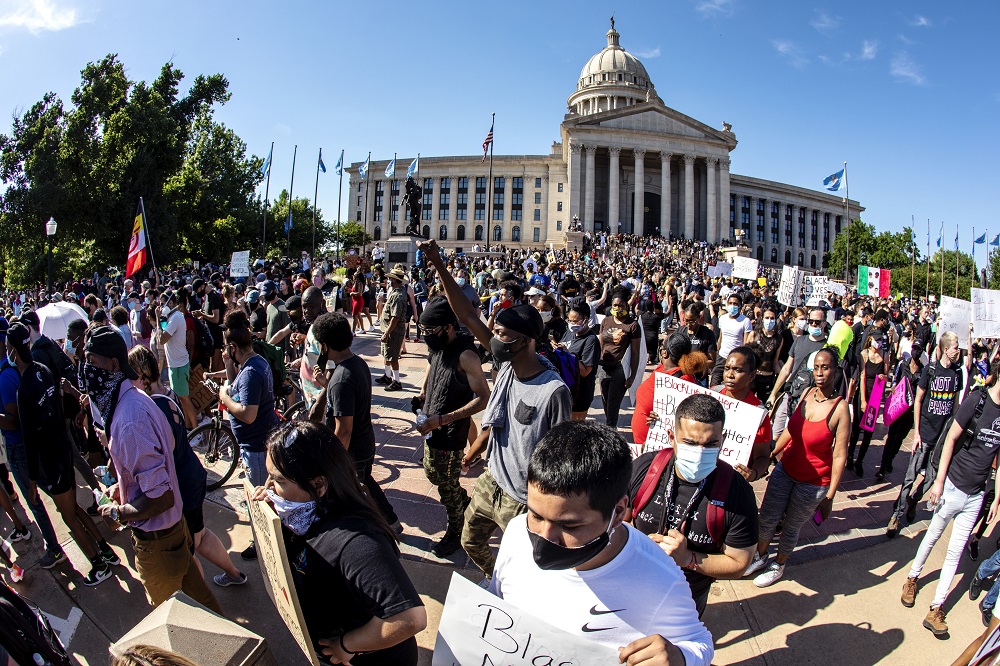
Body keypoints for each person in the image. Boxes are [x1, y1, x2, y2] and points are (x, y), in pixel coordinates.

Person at [489, 420, 714, 665]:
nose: (545, 536)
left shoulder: (661, 578)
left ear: (618, 513)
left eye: (569, 526)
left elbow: (698, 641)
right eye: (535, 515)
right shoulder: (514, 533)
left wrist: (680, 657)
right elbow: (497, 600)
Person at [419, 238, 571, 581]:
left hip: (522, 500)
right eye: (496, 333)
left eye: (502, 334)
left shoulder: (552, 392)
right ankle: (500, 581)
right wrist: (438, 263)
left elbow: (558, 457)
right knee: (470, 541)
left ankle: (519, 593)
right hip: (492, 481)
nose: (494, 339)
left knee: (531, 565)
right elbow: (467, 315)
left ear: (527, 340)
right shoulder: (505, 364)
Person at [250, 421, 426, 664]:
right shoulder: (306, 515)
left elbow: (410, 618)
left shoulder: (356, 541)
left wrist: (347, 644)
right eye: (270, 477)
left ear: (318, 485)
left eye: (279, 481)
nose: (269, 487)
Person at [87, 325, 222, 613]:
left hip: (159, 543)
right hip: (172, 534)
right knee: (204, 608)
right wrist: (122, 488)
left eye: (91, 362)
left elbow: (160, 497)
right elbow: (151, 472)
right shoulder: (134, 401)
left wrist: (118, 513)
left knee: (172, 620)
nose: (86, 371)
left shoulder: (130, 419)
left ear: (113, 364)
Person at [627, 394, 758, 617]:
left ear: (722, 440)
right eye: (689, 442)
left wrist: (687, 559)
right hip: (634, 585)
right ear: (672, 437)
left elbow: (740, 561)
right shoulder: (645, 468)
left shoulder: (738, 493)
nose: (699, 453)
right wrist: (636, 544)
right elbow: (615, 521)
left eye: (710, 444)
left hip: (687, 597)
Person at [128, 345, 247, 587]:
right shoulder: (166, 393)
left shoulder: (153, 406)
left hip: (182, 482)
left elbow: (165, 452)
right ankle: (235, 574)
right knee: (199, 535)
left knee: (188, 547)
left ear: (140, 374)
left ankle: (203, 608)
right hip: (192, 474)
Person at [6, 323, 116, 586]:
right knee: (75, 509)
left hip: (52, 460)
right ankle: (105, 550)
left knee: (69, 517)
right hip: (64, 450)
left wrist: (31, 482)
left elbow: (30, 440)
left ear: (12, 349)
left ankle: (98, 564)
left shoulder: (24, 391)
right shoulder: (43, 371)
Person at [901, 358, 1000, 636]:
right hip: (953, 486)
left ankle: (936, 608)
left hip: (976, 494)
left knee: (955, 552)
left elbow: (999, 459)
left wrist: (997, 497)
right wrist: (939, 482)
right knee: (932, 535)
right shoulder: (977, 401)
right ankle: (912, 578)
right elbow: (951, 439)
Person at [746, 347, 850, 587]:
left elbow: (840, 454)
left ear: (835, 370)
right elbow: (792, 431)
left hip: (813, 483)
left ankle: (778, 564)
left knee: (791, 526)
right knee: (768, 516)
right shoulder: (807, 393)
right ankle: (760, 556)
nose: (820, 373)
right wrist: (772, 452)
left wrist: (830, 495)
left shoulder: (840, 409)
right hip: (786, 469)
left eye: (825, 367)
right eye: (816, 368)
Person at [413, 299, 491, 556]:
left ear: (447, 327)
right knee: (433, 474)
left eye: (429, 331)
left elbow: (483, 397)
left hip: (450, 432)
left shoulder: (466, 355)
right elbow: (431, 363)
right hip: (432, 425)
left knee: (446, 484)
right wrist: (424, 392)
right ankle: (462, 501)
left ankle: (457, 530)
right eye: (422, 331)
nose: (425, 336)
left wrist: (443, 419)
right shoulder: (437, 344)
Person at [309, 312, 401, 530]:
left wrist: (333, 462)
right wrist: (326, 384)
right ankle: (392, 521)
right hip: (365, 443)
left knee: (350, 495)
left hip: (352, 452)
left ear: (324, 345)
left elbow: (344, 430)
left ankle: (373, 529)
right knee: (365, 482)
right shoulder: (356, 364)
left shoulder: (341, 379)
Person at [0, 319, 66, 569]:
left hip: (24, 448)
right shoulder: (35, 369)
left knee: (37, 500)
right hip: (49, 448)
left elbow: (18, 423)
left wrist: (29, 481)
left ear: (11, 348)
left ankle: (54, 548)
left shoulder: (13, 379)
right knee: (62, 502)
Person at [887, 332, 964, 537]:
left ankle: (913, 501)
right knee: (910, 477)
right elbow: (918, 399)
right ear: (946, 349)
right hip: (925, 435)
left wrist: (951, 434)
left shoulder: (957, 373)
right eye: (956, 346)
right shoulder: (930, 370)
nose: (958, 350)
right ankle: (897, 514)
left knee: (930, 478)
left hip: (941, 439)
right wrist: (917, 433)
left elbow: (955, 404)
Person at [219, 310, 280, 560]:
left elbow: (248, 413)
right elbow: (238, 389)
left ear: (233, 346)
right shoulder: (252, 364)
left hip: (256, 446)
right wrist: (227, 368)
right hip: (255, 443)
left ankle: (263, 544)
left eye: (226, 347)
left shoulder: (252, 371)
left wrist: (224, 399)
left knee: (261, 497)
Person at [765, 307, 830, 437]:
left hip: (811, 400)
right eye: (810, 321)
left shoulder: (827, 346)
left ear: (824, 323)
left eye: (817, 322)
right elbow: (786, 368)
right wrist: (773, 394)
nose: (813, 324)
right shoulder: (799, 341)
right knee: (776, 434)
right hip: (790, 394)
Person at [715, 346, 773, 483]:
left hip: (731, 480)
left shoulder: (758, 414)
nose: (729, 375)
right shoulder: (713, 395)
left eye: (738, 370)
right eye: (727, 368)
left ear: (752, 375)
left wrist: (753, 474)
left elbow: (763, 456)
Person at [875, 346, 923, 482]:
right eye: (915, 349)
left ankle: (891, 459)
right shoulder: (903, 365)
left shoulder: (923, 370)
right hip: (899, 407)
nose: (916, 352)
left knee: (900, 438)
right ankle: (883, 467)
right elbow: (895, 379)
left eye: (919, 350)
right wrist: (894, 388)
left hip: (911, 410)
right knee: (891, 437)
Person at [846, 330, 889, 478]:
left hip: (876, 395)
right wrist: (863, 400)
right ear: (870, 339)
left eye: (880, 340)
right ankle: (850, 456)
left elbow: (886, 375)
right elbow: (862, 377)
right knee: (857, 428)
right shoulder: (864, 355)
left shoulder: (884, 355)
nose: (878, 343)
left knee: (869, 430)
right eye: (876, 340)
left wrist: (884, 377)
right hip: (863, 394)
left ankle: (860, 461)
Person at [598, 286, 641, 429]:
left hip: (619, 371)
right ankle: (611, 429)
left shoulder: (633, 326)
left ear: (626, 305)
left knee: (613, 406)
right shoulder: (606, 321)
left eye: (620, 305)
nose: (617, 308)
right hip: (604, 368)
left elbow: (635, 353)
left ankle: (610, 432)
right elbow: (600, 344)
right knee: (605, 403)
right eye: (614, 305)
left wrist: (632, 376)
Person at [157, 289, 198, 429]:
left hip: (179, 365)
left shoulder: (175, 318)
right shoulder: (171, 318)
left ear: (173, 303)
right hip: (175, 364)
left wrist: (157, 320)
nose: (162, 307)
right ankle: (189, 427)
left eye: (164, 303)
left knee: (184, 399)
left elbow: (162, 339)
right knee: (181, 399)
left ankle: (196, 429)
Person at [559, 302, 600, 421]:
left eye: (575, 321)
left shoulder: (590, 340)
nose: (571, 324)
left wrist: (568, 353)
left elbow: (585, 371)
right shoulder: (569, 333)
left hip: (580, 393)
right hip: (566, 390)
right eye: (569, 320)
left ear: (585, 320)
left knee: (574, 431)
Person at [376, 267, 408, 391]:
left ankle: (397, 381)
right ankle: (387, 376)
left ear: (395, 280)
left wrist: (387, 332)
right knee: (386, 354)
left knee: (393, 357)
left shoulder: (398, 296)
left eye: (390, 278)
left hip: (394, 331)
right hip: (389, 330)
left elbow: (395, 317)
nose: (388, 280)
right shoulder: (396, 292)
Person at [711, 293, 753, 386]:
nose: (732, 306)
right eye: (730, 303)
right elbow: (721, 336)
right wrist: (717, 351)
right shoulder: (723, 318)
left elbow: (746, 343)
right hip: (722, 357)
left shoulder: (745, 321)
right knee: (714, 383)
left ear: (740, 306)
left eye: (735, 304)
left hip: (736, 360)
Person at [745, 305, 783, 402]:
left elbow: (775, 362)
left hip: (767, 378)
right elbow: (745, 356)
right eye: (767, 318)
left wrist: (784, 375)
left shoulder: (778, 339)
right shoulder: (754, 334)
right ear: (762, 319)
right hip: (752, 377)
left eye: (772, 318)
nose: (769, 320)